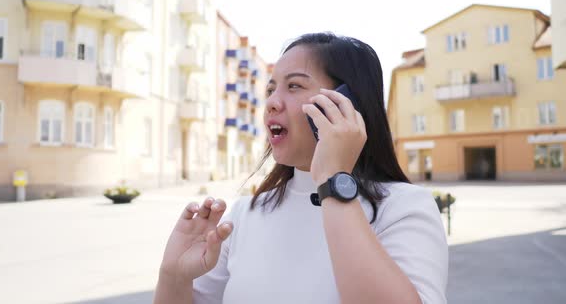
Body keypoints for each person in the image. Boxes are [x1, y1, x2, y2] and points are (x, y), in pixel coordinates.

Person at [154, 32, 448, 304]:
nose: (271, 102)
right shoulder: (245, 214)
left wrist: (334, 179)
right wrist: (173, 275)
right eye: (271, 88)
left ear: (346, 102)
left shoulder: (404, 208)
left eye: (294, 86)